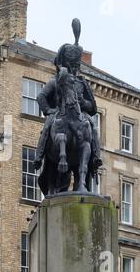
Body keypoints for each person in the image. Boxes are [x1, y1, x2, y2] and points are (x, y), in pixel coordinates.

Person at [33, 19, 103, 177]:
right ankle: (39, 156)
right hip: (60, 112)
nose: (74, 68)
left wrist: (82, 101)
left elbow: (92, 107)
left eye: (76, 65)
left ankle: (96, 157)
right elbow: (41, 97)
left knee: (92, 126)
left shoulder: (82, 82)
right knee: (47, 128)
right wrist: (49, 110)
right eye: (72, 65)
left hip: (80, 114)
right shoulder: (55, 81)